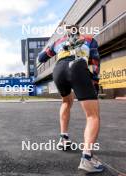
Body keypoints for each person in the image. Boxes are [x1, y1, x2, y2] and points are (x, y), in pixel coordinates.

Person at [38, 24, 104, 173]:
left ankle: (64, 139)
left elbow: (41, 58)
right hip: (77, 67)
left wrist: (55, 44)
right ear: (79, 31)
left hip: (59, 70)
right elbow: (95, 63)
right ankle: (87, 159)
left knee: (66, 102)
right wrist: (95, 82)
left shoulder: (58, 42)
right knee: (92, 116)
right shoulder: (89, 39)